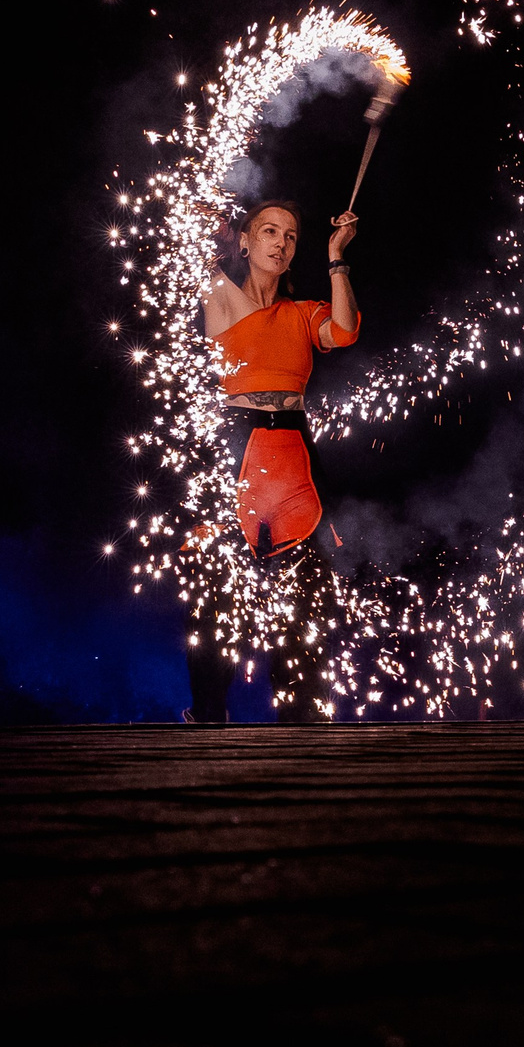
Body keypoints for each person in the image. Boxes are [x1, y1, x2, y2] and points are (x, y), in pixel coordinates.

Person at [184, 200, 360, 723]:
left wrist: (336, 258)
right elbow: (191, 248)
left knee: (308, 596)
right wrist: (208, 220)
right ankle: (208, 716)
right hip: (235, 450)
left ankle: (302, 721)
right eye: (267, 231)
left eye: (289, 235)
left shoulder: (305, 312)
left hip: (295, 455)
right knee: (215, 593)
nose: (280, 242)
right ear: (245, 240)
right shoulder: (222, 298)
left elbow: (345, 329)